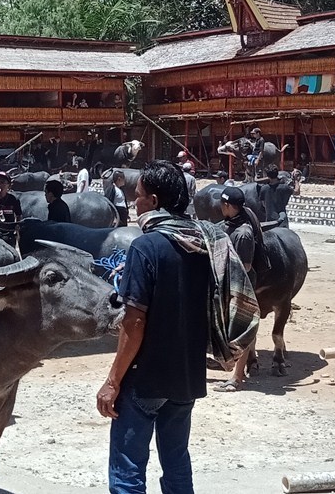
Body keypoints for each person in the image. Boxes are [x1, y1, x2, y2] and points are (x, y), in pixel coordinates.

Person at [96, 160, 259, 493]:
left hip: (146, 379)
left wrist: (112, 381)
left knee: (127, 470)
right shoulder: (206, 243)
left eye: (138, 196)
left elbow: (135, 321)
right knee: (176, 463)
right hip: (187, 376)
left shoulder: (146, 247)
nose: (134, 203)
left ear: (154, 201)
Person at [215, 186, 268, 392]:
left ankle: (236, 377)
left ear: (227, 205)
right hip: (227, 283)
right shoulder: (227, 225)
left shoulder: (243, 234)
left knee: (241, 328)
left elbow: (244, 266)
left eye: (221, 204)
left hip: (240, 286)